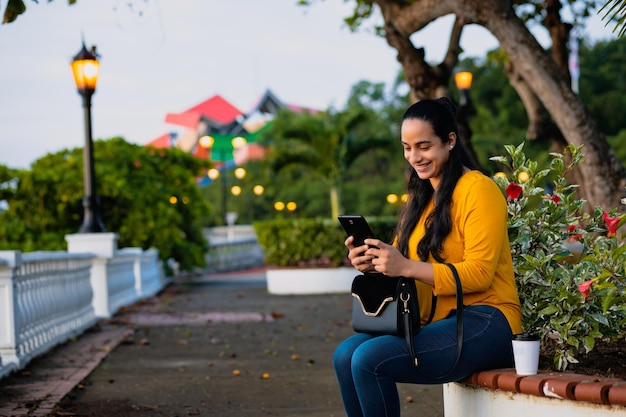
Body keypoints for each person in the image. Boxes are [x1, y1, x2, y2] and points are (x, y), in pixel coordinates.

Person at [333, 97, 522, 417]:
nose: (414, 157)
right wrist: (371, 262)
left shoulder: (479, 189)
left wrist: (405, 265)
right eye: (407, 148)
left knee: (368, 360)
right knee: (345, 355)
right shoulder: (419, 199)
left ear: (450, 141)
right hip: (434, 320)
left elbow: (479, 274)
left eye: (423, 146)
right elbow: (399, 264)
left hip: (488, 320)